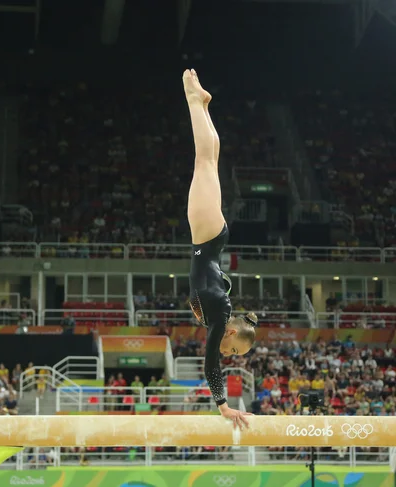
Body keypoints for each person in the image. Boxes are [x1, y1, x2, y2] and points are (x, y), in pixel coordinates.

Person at [183, 68, 256, 430]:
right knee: (203, 159)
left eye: (233, 355)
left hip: (212, 236)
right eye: (234, 350)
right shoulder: (219, 316)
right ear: (231, 334)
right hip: (206, 236)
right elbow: (210, 363)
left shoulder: (218, 311)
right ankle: (194, 100)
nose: (228, 355)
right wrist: (223, 406)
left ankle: (205, 105)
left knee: (209, 161)